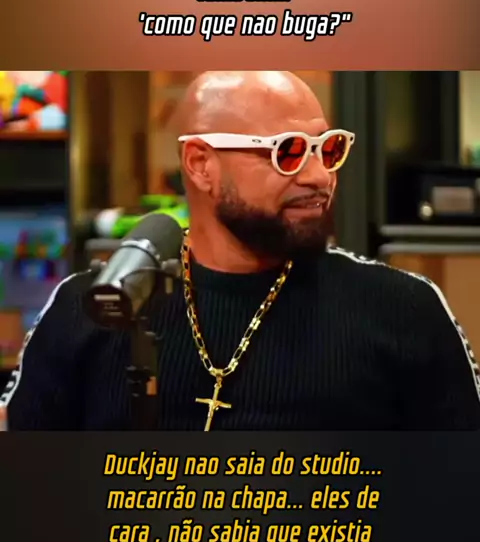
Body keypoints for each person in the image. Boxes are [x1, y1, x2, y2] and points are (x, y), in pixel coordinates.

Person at [3, 71, 480, 430]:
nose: (319, 176)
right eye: (288, 151)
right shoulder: (90, 308)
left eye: (328, 149)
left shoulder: (404, 310)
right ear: (201, 165)